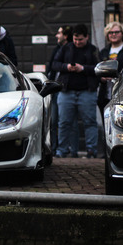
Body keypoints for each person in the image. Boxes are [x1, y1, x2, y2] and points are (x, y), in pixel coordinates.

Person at [52, 24, 100, 159]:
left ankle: (91, 151)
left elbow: (99, 67)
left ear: (87, 37)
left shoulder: (93, 50)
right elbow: (54, 64)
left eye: (80, 40)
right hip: (67, 91)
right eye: (75, 39)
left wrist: (83, 69)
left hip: (87, 91)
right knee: (64, 122)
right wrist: (66, 67)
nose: (78, 42)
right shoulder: (66, 48)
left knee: (89, 122)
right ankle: (62, 151)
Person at [47, 25, 72, 154]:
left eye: (59, 33)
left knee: (66, 121)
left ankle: (70, 149)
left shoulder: (71, 50)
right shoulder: (57, 49)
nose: (57, 35)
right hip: (54, 89)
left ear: (66, 35)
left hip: (65, 89)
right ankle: (54, 148)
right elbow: (52, 66)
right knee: (53, 120)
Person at [97, 21, 123, 115]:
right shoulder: (104, 51)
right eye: (110, 33)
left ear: (122, 34)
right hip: (106, 94)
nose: (113, 34)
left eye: (117, 32)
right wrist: (102, 78)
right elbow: (97, 70)